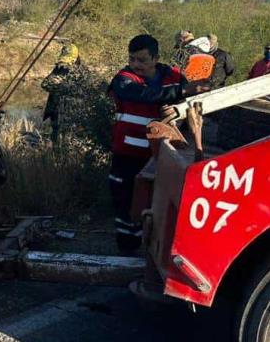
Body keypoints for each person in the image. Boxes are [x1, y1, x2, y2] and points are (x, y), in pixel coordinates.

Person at [107, 34, 208, 253]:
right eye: (132, 59)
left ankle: (150, 252)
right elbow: (144, 95)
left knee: (156, 205)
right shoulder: (124, 79)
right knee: (125, 203)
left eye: (141, 60)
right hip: (127, 155)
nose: (135, 65)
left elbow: (188, 102)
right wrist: (182, 91)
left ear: (155, 58)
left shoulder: (173, 76)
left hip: (161, 156)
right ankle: (126, 251)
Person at [41, 43, 83, 144]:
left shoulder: (80, 72)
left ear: (75, 58)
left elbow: (79, 92)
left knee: (69, 141)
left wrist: (58, 85)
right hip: (56, 111)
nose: (65, 63)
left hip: (69, 114)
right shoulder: (59, 68)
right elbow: (45, 83)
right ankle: (56, 156)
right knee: (55, 138)